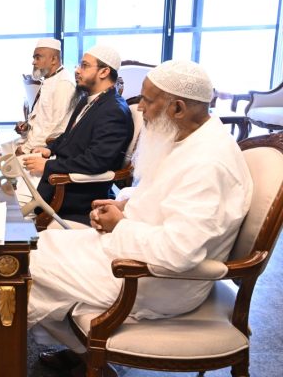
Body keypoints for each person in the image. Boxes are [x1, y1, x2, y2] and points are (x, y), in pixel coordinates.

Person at [28, 60, 253, 377]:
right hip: (135, 254)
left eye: (147, 100)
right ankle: (85, 356)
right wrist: (124, 204)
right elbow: (165, 193)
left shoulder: (208, 164)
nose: (140, 108)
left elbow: (178, 251)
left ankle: (87, 359)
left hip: (154, 280)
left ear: (177, 108)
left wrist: (120, 225)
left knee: (21, 270)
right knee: (41, 244)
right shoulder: (192, 136)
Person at [23, 45, 133, 224]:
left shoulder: (114, 111)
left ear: (104, 71)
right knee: (9, 181)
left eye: (84, 65)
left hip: (72, 191)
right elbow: (68, 136)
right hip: (59, 177)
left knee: (9, 202)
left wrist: (48, 166)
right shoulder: (88, 99)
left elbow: (95, 161)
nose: (77, 70)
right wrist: (50, 149)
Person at [15, 38, 76, 155]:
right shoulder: (49, 79)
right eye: (34, 58)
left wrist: (26, 149)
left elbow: (56, 128)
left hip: (44, 151)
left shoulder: (63, 83)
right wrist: (26, 126)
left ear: (54, 59)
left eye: (38, 57)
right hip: (32, 143)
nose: (33, 62)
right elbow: (42, 119)